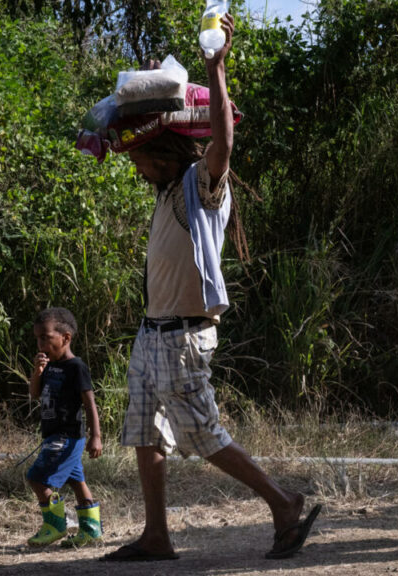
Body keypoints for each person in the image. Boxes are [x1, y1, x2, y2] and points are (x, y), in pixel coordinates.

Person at [99, 13, 320, 562]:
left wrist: (215, 68)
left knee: (200, 436)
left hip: (183, 337)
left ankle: (283, 502)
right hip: (153, 334)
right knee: (144, 433)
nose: (136, 167)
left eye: (141, 158)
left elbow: (223, 136)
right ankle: (157, 537)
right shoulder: (164, 191)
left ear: (165, 154)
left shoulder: (202, 187)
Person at [26, 307, 104, 548]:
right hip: (52, 435)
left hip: (67, 436)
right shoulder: (48, 365)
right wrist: (37, 373)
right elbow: (35, 393)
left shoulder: (76, 367)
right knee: (76, 480)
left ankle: (55, 525)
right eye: (37, 338)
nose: (40, 344)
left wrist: (96, 436)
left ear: (65, 338)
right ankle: (91, 531)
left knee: (37, 478)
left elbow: (89, 402)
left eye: (46, 338)